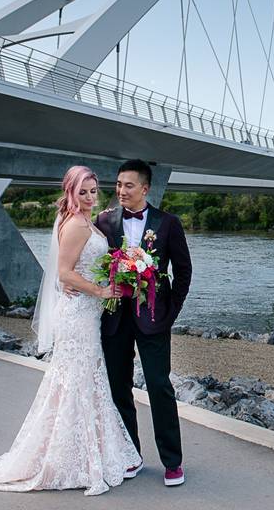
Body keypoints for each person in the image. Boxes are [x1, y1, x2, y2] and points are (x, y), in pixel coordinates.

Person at [0, 166, 141, 496]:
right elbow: (65, 274)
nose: (90, 197)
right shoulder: (77, 226)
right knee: (78, 380)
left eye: (94, 191)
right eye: (83, 192)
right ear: (70, 192)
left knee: (85, 380)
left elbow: (79, 268)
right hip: (78, 315)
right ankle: (70, 458)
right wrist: (101, 291)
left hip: (86, 315)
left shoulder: (85, 221)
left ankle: (84, 452)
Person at [95, 159, 192, 487]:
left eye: (129, 185)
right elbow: (93, 263)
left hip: (154, 319)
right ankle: (129, 455)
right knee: (117, 386)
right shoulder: (104, 221)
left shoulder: (168, 223)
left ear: (145, 189)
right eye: (119, 185)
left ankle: (173, 462)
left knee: (159, 386)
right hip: (115, 318)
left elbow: (183, 271)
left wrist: (170, 311)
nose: (121, 191)